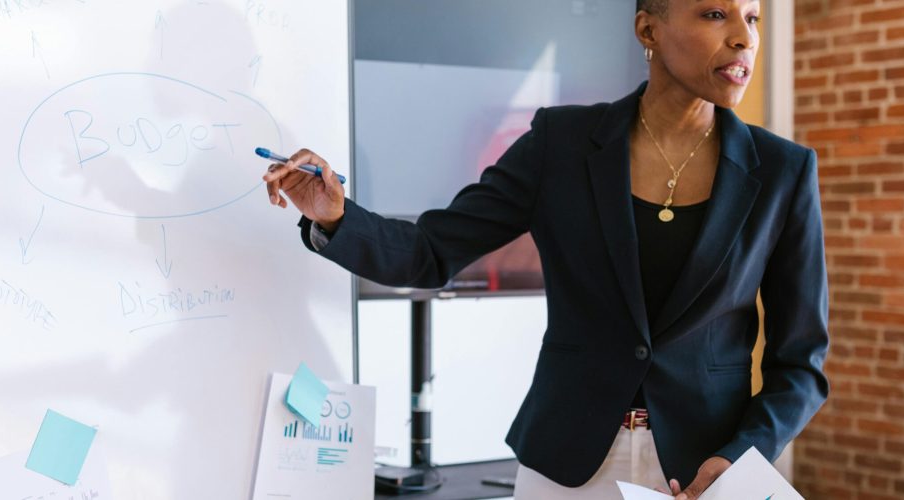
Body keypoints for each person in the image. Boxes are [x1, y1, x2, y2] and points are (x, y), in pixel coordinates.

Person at [262, 0, 829, 498]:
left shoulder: (783, 171)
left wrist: (738, 456)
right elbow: (431, 251)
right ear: (648, 30)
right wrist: (336, 216)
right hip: (565, 467)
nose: (744, 37)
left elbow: (800, 363)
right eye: (715, 14)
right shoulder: (562, 143)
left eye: (752, 18)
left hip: (705, 475)